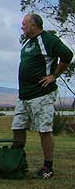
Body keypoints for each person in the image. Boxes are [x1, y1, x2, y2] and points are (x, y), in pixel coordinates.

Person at [12, 13, 73, 179]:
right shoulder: (27, 42)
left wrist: (54, 75)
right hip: (24, 95)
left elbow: (67, 55)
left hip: (42, 94)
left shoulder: (48, 39)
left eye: (25, 24)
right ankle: (16, 162)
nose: (22, 26)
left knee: (44, 129)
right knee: (17, 128)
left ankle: (48, 168)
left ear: (34, 25)